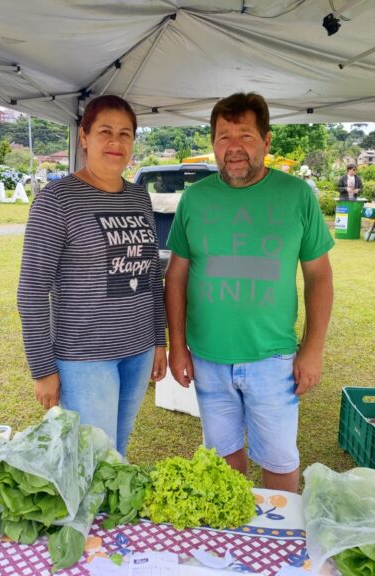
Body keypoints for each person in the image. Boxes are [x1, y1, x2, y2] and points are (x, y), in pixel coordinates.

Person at [164, 92, 334, 492]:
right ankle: (235, 542)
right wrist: (178, 345)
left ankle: (279, 544)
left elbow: (319, 277)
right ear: (213, 143)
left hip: (273, 358)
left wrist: (313, 349)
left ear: (267, 141)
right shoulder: (195, 198)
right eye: (224, 137)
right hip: (208, 357)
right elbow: (176, 276)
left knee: (279, 463)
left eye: (245, 135)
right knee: (222, 462)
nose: (234, 148)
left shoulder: (296, 196)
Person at [17, 94, 167, 456]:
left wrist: (158, 340)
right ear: (84, 137)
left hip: (138, 349)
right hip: (85, 358)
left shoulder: (138, 198)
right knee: (92, 460)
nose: (115, 142)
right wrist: (42, 369)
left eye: (125, 133)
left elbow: (150, 276)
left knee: (117, 453)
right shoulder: (57, 199)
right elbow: (32, 291)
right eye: (105, 132)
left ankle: (109, 516)